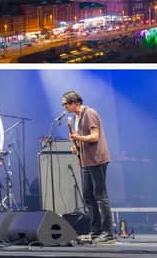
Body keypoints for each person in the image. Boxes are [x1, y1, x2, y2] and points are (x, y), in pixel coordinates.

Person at [63, 90, 115, 244]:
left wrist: (78, 138)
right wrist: (77, 146)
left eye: (65, 103)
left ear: (74, 102)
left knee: (100, 196)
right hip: (86, 161)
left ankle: (108, 233)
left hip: (97, 160)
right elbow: (84, 140)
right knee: (88, 196)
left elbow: (95, 137)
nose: (64, 107)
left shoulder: (89, 113)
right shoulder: (76, 117)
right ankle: (96, 231)